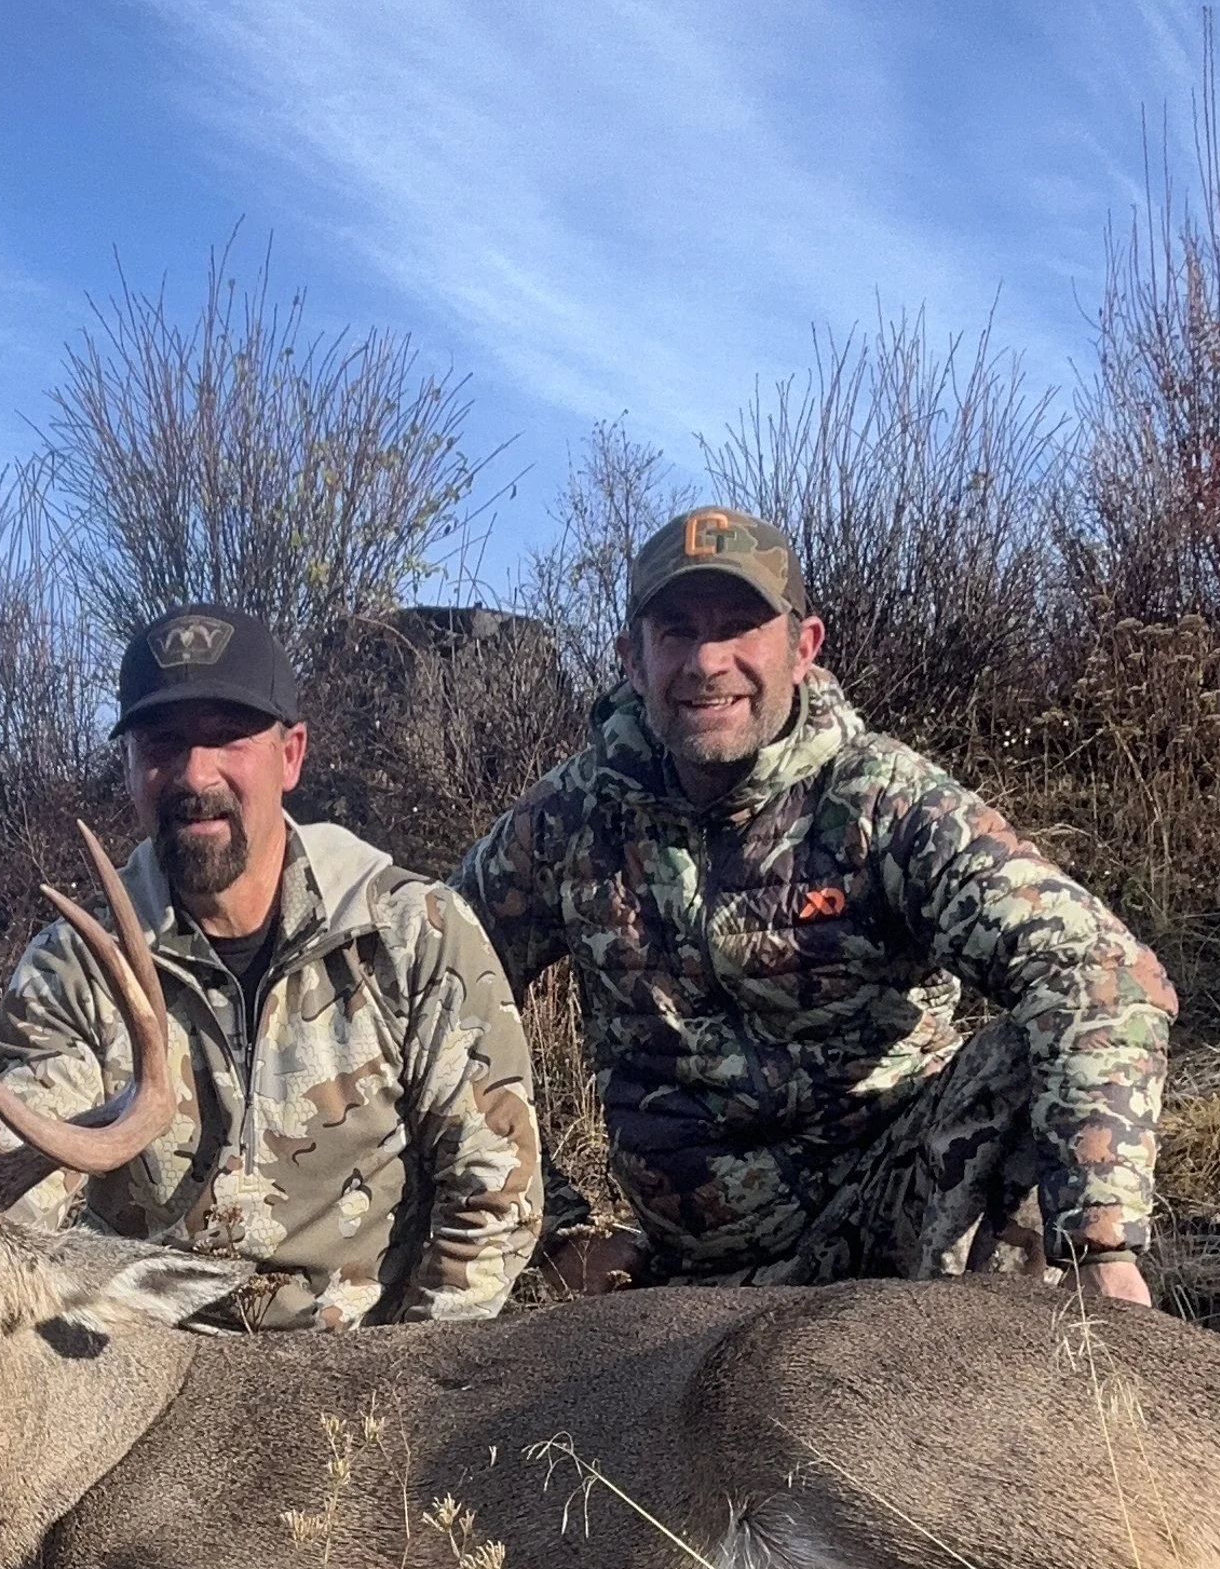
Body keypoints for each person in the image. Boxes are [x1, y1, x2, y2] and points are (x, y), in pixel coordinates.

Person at [453, 505, 1174, 1306]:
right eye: (676, 632)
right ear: (631, 658)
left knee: (1020, 1063)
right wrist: (554, 1228)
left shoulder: (882, 800)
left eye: (739, 627)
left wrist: (1101, 1243)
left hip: (896, 1229)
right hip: (676, 1274)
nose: (707, 661)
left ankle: (1031, 1360)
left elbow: (1100, 966)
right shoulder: (572, 816)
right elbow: (430, 982)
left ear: (803, 648)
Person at [0, 602, 541, 1327]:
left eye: (226, 738)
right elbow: (20, 1187)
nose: (194, 773)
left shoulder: (411, 931)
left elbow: (496, 1190)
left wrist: (416, 1389)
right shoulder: (75, 969)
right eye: (163, 743)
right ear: (128, 766)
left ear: (292, 754)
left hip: (369, 1376)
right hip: (154, 1381)